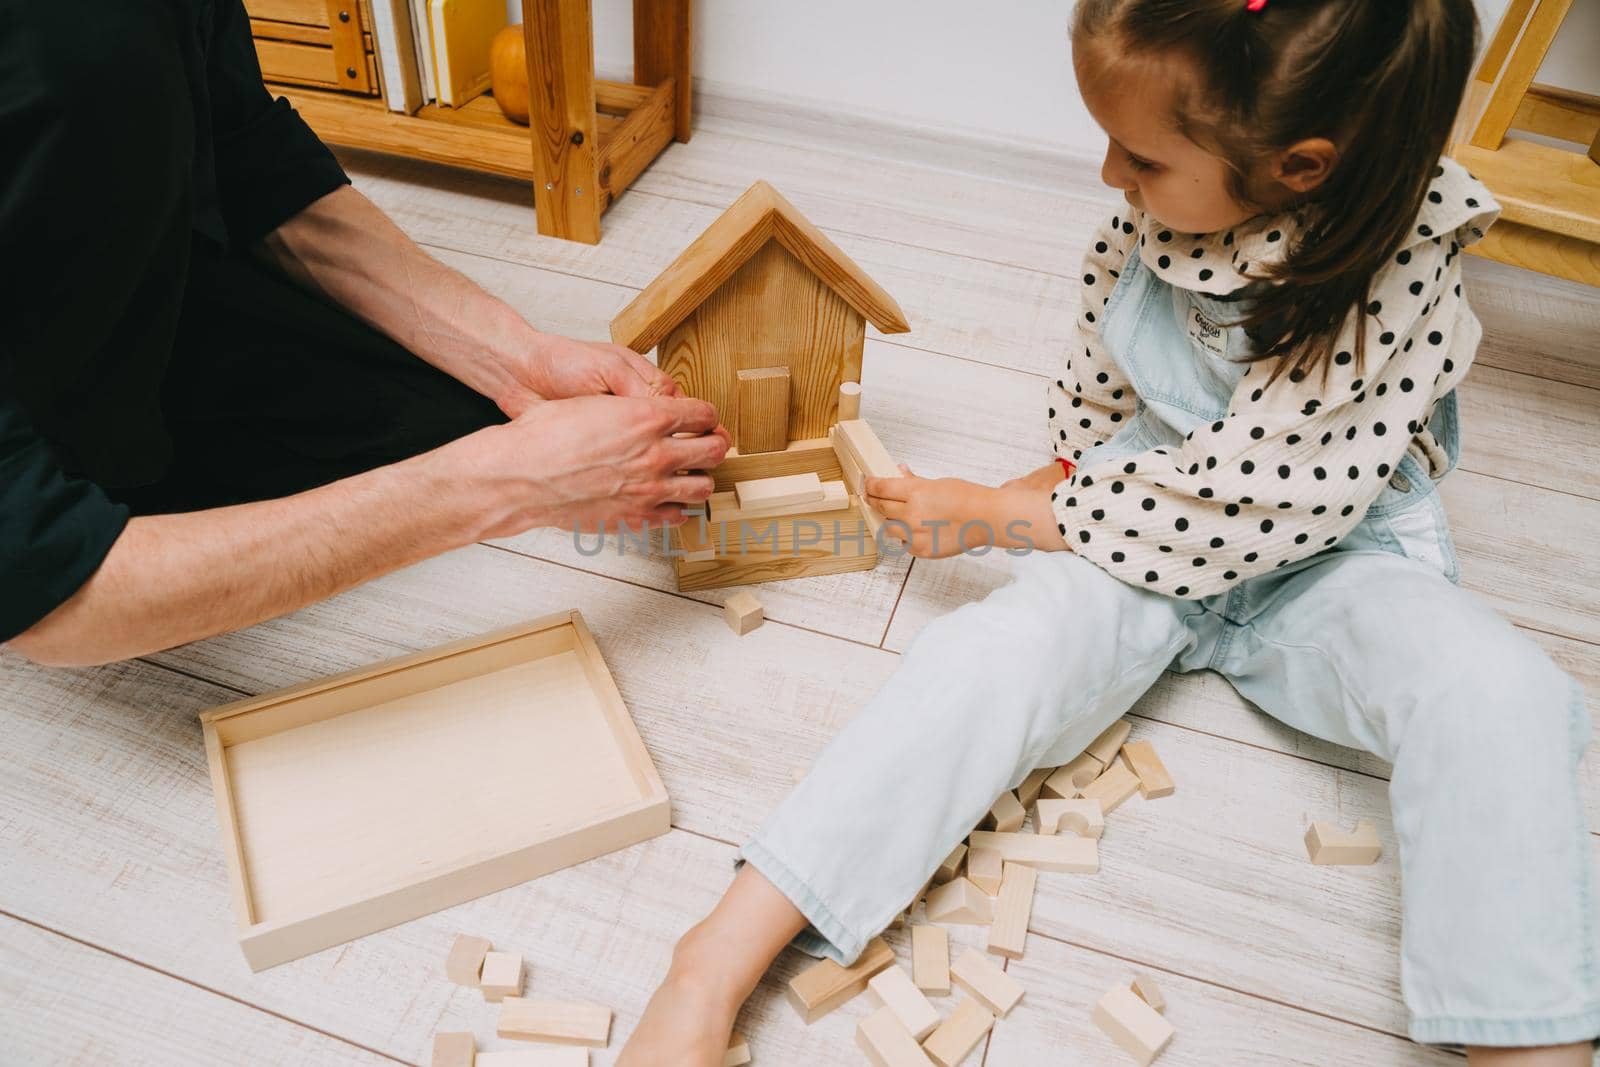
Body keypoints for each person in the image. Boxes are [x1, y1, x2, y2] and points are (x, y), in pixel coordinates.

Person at [617, 1, 1597, 1063]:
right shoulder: (1148, 217)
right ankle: (712, 957)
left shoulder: (1393, 272)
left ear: (1299, 167)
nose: (1107, 176)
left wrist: (1003, 512)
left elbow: (1250, 498)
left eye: (1139, 155)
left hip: (1329, 550)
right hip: (1138, 514)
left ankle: (1525, 1040)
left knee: (1504, 695)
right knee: (988, 655)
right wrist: (1028, 491)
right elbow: (1098, 394)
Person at [0, 1, 726, 667]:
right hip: (29, 433)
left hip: (158, 293)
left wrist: (521, 357)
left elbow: (252, 159)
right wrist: (502, 485)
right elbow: (53, 596)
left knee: (460, 416)